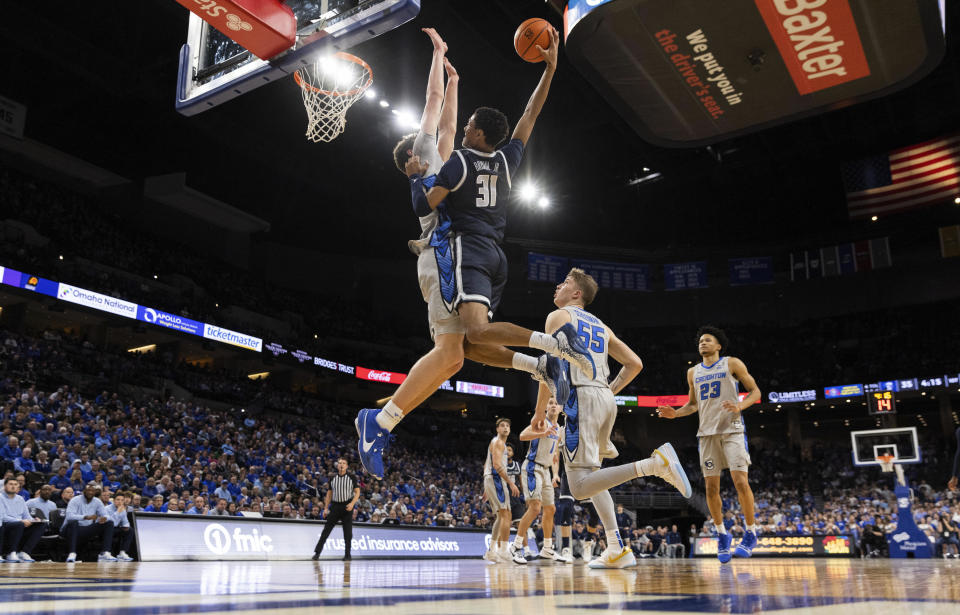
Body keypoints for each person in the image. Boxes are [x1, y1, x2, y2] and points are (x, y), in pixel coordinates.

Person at [357, 27, 588, 481]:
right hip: (442, 253)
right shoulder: (430, 156)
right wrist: (440, 60)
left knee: (466, 346)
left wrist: (454, 79)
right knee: (454, 352)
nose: (453, 128)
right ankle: (380, 422)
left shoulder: (456, 158)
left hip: (460, 252)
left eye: (463, 127)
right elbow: (433, 110)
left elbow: (447, 118)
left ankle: (537, 364)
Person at [539, 268, 692, 569]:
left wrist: (539, 413)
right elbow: (635, 363)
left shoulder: (558, 317)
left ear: (576, 294)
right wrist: (608, 391)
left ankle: (653, 464)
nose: (558, 285)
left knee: (581, 487)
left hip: (581, 397)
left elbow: (548, 365)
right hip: (605, 398)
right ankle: (616, 547)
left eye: (566, 283)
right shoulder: (602, 326)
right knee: (593, 477)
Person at [656, 326, 761, 563]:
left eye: (708, 340)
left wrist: (740, 406)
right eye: (700, 341)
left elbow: (755, 392)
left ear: (718, 345)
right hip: (706, 435)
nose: (702, 343)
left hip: (732, 430)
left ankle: (751, 532)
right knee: (711, 488)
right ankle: (722, 534)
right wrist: (676, 414)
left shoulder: (732, 363)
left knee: (740, 481)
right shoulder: (692, 372)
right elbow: (692, 405)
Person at [512, 397, 562, 563]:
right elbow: (522, 435)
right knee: (535, 508)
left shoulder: (559, 429)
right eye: (550, 403)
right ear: (546, 408)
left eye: (556, 403)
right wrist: (543, 433)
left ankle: (547, 549)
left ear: (560, 408)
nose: (553, 405)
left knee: (551, 509)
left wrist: (555, 474)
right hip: (533, 467)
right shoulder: (541, 422)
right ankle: (515, 547)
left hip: (546, 471)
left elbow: (555, 455)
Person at [482, 418, 522, 563]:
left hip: (491, 479)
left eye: (507, 426)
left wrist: (487, 487)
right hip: (496, 478)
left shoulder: (497, 443)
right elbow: (497, 466)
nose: (505, 428)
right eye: (502, 426)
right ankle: (504, 551)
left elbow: (486, 464)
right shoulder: (498, 442)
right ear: (497, 429)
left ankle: (492, 551)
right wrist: (511, 483)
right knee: (506, 515)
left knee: (501, 516)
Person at [312, 457, 359, 561]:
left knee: (348, 532)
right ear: (337, 466)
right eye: (339, 463)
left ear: (346, 466)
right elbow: (329, 494)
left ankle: (347, 555)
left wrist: (352, 504)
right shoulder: (333, 478)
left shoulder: (352, 477)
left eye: (343, 463)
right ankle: (317, 553)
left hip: (347, 506)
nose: (341, 464)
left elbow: (357, 492)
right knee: (326, 530)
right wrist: (325, 508)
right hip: (335, 506)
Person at [61, 484, 117, 562]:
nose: (90, 492)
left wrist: (105, 518)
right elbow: (69, 516)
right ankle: (72, 554)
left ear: (95, 493)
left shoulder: (97, 501)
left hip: (86, 529)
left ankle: (105, 553)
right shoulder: (75, 500)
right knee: (73, 523)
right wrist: (86, 517)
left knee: (109, 523)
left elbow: (107, 515)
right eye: (88, 490)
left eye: (92, 491)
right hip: (69, 529)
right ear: (84, 491)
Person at [0, 477, 45, 562]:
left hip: (19, 525)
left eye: (15, 484)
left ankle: (24, 552)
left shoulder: (20, 499)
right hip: (5, 525)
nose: (13, 486)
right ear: (5, 486)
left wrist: (34, 520)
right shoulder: (0, 497)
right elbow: (2, 517)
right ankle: (11, 553)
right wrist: (20, 521)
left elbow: (27, 516)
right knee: (19, 524)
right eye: (10, 484)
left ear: (18, 487)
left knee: (41, 524)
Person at [103, 490, 135, 561]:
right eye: (118, 500)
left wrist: (125, 526)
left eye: (122, 500)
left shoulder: (122, 509)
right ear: (114, 500)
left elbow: (126, 522)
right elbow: (110, 523)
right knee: (110, 527)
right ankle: (106, 553)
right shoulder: (106, 509)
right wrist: (118, 512)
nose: (120, 502)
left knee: (130, 530)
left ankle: (122, 553)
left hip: (115, 529)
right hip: (105, 529)